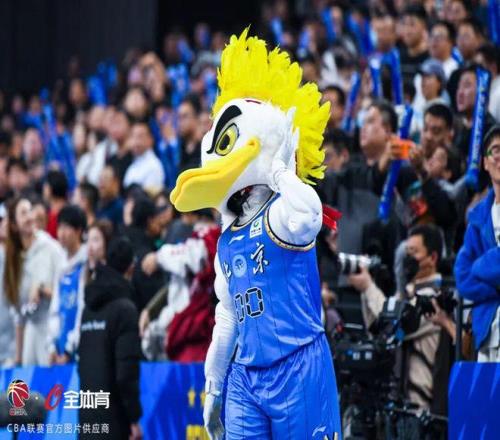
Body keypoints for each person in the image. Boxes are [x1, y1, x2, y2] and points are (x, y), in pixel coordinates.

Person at [349, 224, 453, 416]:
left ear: (432, 257)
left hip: (421, 405)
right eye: (407, 252)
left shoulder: (434, 298)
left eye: (414, 252)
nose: (407, 258)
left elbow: (395, 321)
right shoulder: (406, 293)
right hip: (396, 402)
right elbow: (378, 329)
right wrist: (365, 289)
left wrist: (369, 287)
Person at [78, 237, 143, 440]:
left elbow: (83, 367)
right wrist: (133, 419)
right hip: (115, 421)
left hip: (87, 420)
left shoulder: (88, 310)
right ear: (131, 268)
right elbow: (125, 374)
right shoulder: (126, 310)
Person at [455, 125, 500, 361]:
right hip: (486, 328)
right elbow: (463, 274)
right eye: (495, 150)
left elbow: (480, 267)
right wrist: (496, 289)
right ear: (485, 162)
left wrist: (481, 266)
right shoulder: (478, 217)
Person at [3, 197, 64, 366]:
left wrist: (43, 290)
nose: (30, 217)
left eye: (30, 211)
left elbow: (66, 292)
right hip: (30, 334)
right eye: (23, 213)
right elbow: (18, 315)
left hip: (52, 328)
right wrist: (18, 357)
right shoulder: (13, 260)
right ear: (14, 225)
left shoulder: (51, 248)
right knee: (28, 380)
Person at [47, 205, 88, 365]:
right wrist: (52, 345)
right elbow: (55, 307)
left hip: (79, 347)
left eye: (66, 228)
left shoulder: (85, 264)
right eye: (59, 227)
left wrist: (70, 349)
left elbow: (82, 309)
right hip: (60, 346)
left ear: (78, 231)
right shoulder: (61, 264)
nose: (61, 233)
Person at [123, 122, 165, 193]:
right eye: (133, 136)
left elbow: (149, 197)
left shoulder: (153, 165)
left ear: (150, 140)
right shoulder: (132, 162)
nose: (136, 141)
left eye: (140, 137)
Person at [43, 169, 68, 239]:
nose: (44, 188)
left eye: (46, 185)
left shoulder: (55, 216)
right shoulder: (49, 212)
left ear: (51, 188)